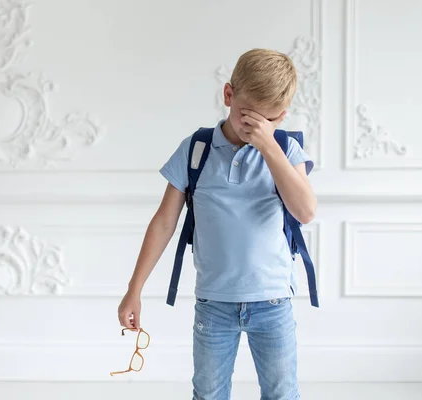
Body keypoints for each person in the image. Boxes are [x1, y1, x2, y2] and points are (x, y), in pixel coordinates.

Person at [117, 48, 316, 399]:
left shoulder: (284, 150)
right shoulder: (195, 149)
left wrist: (269, 147)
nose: (254, 126)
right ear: (228, 95)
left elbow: (305, 211)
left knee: (282, 393)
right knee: (208, 393)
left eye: (266, 120)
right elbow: (164, 222)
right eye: (246, 116)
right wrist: (135, 289)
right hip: (214, 304)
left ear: (281, 117)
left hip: (272, 302)